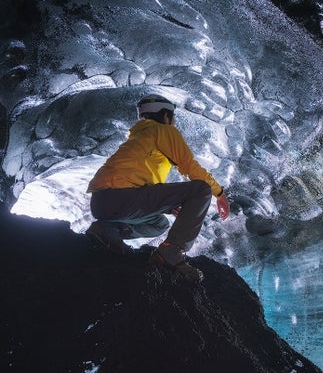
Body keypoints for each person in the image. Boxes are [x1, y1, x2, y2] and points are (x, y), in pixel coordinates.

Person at [85, 94, 230, 281]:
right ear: (165, 116)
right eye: (173, 117)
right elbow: (190, 167)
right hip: (122, 199)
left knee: (159, 224)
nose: (174, 122)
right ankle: (172, 252)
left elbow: (138, 184)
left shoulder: (140, 136)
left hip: (101, 204)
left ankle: (106, 231)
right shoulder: (163, 130)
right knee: (200, 189)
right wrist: (219, 193)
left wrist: (168, 206)